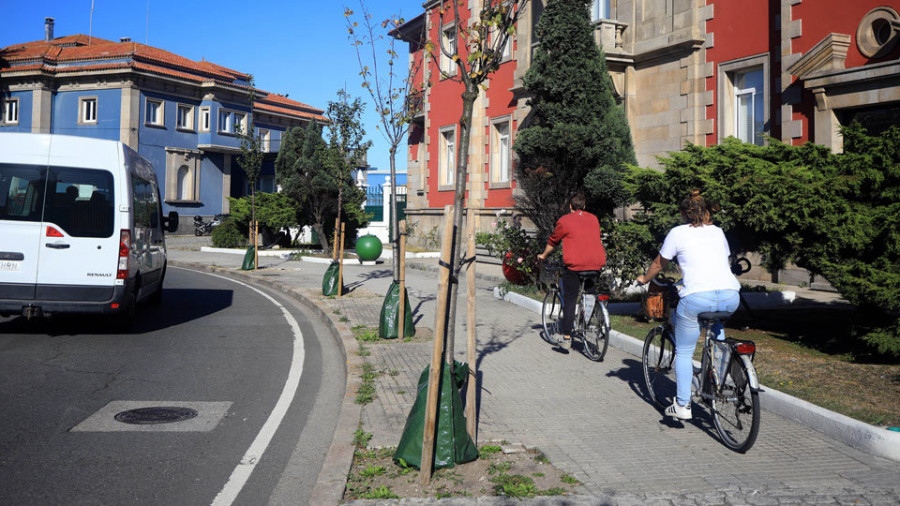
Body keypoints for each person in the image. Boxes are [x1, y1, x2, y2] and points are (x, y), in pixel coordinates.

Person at [636, 189, 741, 421]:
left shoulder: (678, 233)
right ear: (704, 211)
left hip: (697, 297)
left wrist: (644, 279)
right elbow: (718, 262)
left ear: (684, 213)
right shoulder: (718, 231)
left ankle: (683, 404)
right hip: (731, 295)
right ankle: (720, 380)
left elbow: (659, 263)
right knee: (717, 332)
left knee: (684, 351)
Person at [537, 193, 607, 348]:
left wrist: (543, 255)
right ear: (584, 206)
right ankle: (589, 323)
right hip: (596, 264)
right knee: (590, 293)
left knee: (570, 298)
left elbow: (553, 241)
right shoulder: (594, 219)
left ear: (570, 207)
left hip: (575, 265)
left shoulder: (565, 221)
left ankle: (567, 336)